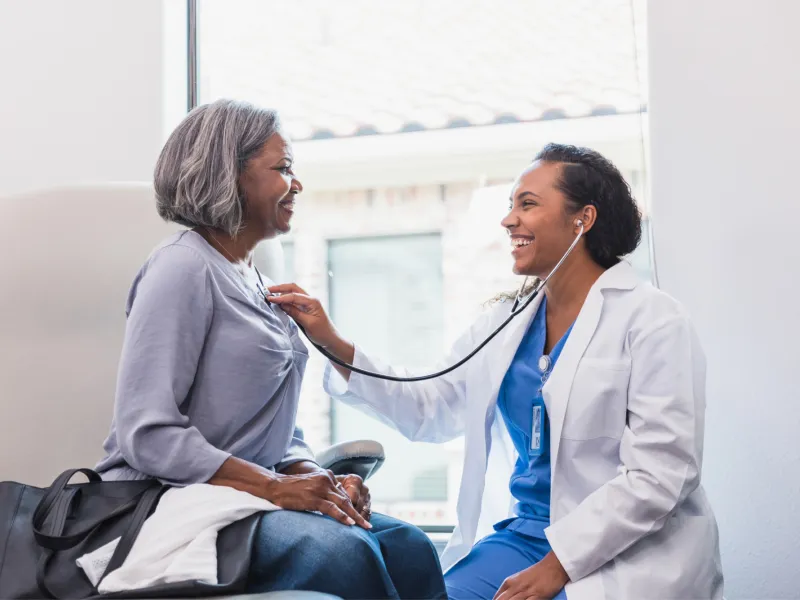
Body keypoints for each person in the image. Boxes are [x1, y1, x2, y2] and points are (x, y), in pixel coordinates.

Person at [267, 143, 725, 600]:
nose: (509, 220)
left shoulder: (653, 320)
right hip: (525, 538)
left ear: (582, 219)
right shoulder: (506, 322)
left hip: (627, 552)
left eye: (527, 204)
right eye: (511, 205)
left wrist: (558, 566)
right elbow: (430, 406)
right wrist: (331, 340)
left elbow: (662, 474)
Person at [94, 99, 447, 600]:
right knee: (343, 555)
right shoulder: (181, 268)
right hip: (167, 499)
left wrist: (317, 479)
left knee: (410, 547)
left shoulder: (260, 283)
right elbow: (146, 434)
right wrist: (275, 488)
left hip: (243, 497)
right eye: (282, 169)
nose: (296, 184)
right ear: (229, 177)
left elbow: (277, 433)